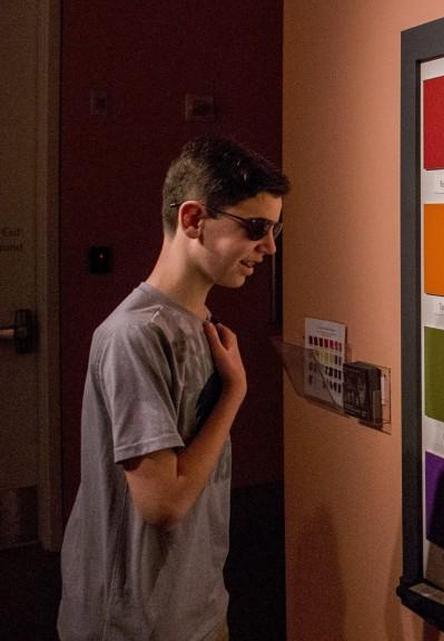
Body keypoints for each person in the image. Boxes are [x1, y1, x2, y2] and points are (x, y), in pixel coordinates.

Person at [58, 136, 289, 641]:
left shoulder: (196, 322)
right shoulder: (134, 336)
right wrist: (234, 394)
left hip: (194, 608)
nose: (269, 248)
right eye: (256, 228)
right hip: (134, 624)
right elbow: (162, 504)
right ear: (192, 220)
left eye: (275, 230)